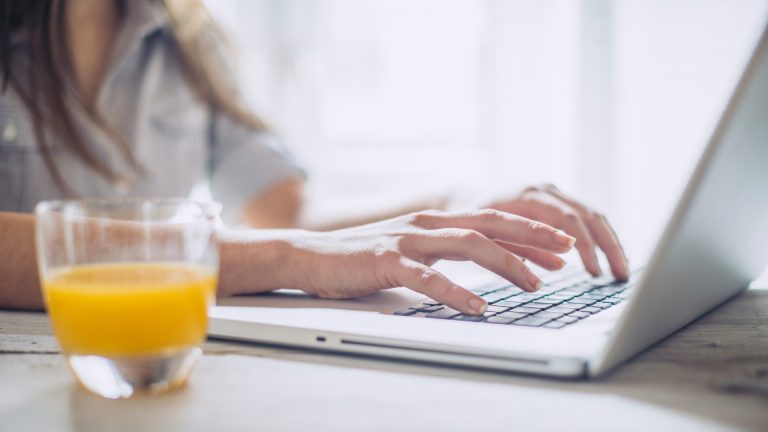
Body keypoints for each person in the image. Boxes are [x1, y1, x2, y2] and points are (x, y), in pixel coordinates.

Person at [0, 0, 629, 314]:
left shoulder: (188, 40)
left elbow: (291, 213)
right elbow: (288, 243)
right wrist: (286, 258)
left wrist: (454, 210)